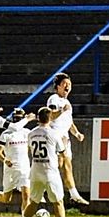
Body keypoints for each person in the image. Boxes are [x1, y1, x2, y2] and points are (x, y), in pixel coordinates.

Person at [15, 107, 68, 217]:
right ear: (50, 118)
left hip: (35, 171)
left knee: (33, 202)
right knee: (58, 202)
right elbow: (62, 152)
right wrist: (65, 145)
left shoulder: (31, 133)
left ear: (38, 118)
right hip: (50, 171)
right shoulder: (54, 134)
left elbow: (30, 149)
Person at [47, 72, 89, 205]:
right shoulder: (54, 99)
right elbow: (50, 116)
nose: (68, 86)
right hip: (55, 137)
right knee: (59, 164)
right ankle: (48, 189)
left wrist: (76, 134)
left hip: (65, 138)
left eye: (69, 84)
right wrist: (62, 110)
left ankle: (73, 193)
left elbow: (69, 122)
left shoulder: (67, 102)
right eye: (65, 84)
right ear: (58, 86)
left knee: (67, 166)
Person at [0, 108, 37, 214]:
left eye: (19, 117)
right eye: (16, 117)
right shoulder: (6, 134)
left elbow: (31, 148)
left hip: (24, 169)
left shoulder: (27, 133)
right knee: (6, 198)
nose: (17, 120)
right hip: (10, 169)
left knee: (26, 195)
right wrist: (5, 160)